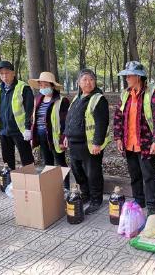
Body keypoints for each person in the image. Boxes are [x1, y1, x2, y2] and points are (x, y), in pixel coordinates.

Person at [113, 61, 155, 216]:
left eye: (129, 75)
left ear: (138, 76)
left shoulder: (153, 93)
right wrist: (118, 138)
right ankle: (139, 200)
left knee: (149, 175)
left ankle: (151, 205)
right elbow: (118, 117)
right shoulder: (125, 94)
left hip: (146, 144)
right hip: (129, 143)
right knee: (134, 175)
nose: (127, 78)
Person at [63, 69, 110, 214]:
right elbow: (70, 119)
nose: (88, 82)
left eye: (91, 79)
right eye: (84, 79)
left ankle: (96, 200)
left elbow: (102, 123)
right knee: (78, 172)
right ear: (78, 83)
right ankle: (86, 194)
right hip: (74, 143)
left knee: (93, 173)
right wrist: (66, 136)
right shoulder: (77, 99)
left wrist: (97, 143)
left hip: (89, 145)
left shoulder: (98, 99)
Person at [28, 72, 70, 187]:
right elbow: (34, 119)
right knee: (47, 162)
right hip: (41, 136)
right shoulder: (38, 99)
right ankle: (51, 186)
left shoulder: (62, 101)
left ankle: (66, 187)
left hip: (55, 137)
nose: (43, 88)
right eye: (41, 85)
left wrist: (63, 138)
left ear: (52, 86)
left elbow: (65, 121)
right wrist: (32, 135)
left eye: (46, 85)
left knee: (61, 162)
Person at [0, 61, 34, 170]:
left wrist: (27, 128)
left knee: (26, 158)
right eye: (1, 74)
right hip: (4, 130)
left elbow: (29, 110)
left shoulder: (23, 88)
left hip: (20, 130)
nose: (4, 76)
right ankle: (9, 182)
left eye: (6, 73)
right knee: (7, 159)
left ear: (13, 73)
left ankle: (31, 181)